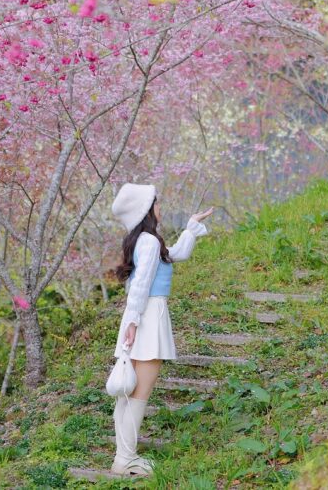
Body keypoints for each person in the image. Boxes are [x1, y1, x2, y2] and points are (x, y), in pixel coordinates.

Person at [110, 182, 213, 476]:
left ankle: (124, 456)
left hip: (141, 315)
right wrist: (133, 323)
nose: (160, 208)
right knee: (138, 392)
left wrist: (192, 227)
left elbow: (175, 254)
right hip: (146, 316)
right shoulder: (149, 242)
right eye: (157, 203)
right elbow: (141, 285)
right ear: (147, 209)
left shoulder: (145, 241)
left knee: (129, 392)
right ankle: (125, 459)